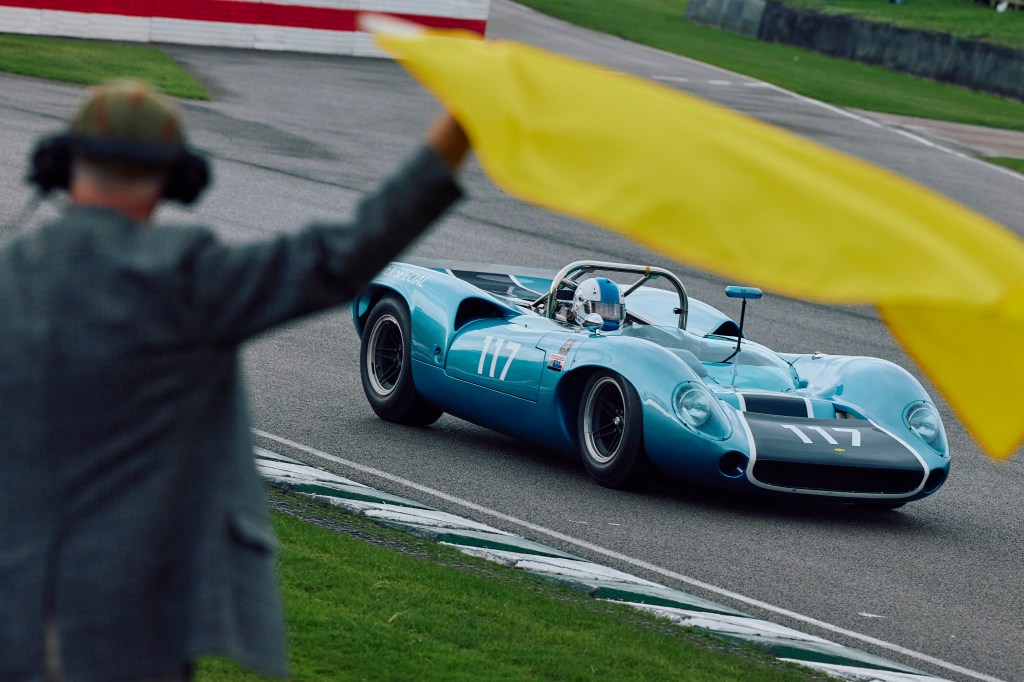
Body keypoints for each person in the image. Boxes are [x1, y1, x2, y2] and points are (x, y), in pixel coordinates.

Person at [0, 79, 470, 681]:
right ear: (178, 180)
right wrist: (451, 142)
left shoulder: (10, 273)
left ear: (60, 164)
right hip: (136, 620)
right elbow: (340, 256)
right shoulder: (187, 276)